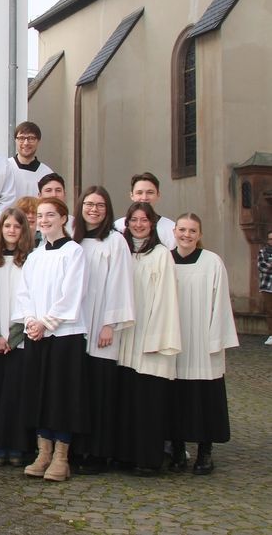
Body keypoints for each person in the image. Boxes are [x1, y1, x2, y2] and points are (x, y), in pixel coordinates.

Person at [14, 198, 89, 483]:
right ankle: (42, 452)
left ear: (64, 218)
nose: (44, 220)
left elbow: (72, 293)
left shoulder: (74, 252)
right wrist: (32, 321)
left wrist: (47, 322)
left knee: (62, 395)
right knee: (40, 394)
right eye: (40, 216)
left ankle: (61, 457)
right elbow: (24, 292)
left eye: (50, 215)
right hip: (37, 334)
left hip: (64, 335)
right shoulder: (35, 255)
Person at [70, 185, 134, 474]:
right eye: (89, 204)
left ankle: (97, 452)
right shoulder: (74, 240)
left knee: (99, 390)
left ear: (107, 211)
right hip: (74, 324)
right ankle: (76, 449)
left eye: (100, 205)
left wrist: (109, 323)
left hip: (101, 326)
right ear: (80, 207)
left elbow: (120, 283)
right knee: (78, 390)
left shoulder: (115, 242)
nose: (93, 209)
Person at [169, 213, 239, 475]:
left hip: (201, 340)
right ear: (174, 231)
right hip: (174, 338)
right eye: (182, 230)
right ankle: (177, 450)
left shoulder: (212, 262)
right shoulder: (164, 259)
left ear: (199, 235)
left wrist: (216, 340)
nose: (186, 235)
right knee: (174, 397)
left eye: (192, 231)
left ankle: (205, 452)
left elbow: (220, 303)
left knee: (203, 398)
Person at [116, 202, 182, 473]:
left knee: (149, 402)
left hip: (149, 336)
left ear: (152, 224)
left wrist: (155, 338)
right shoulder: (123, 252)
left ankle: (148, 459)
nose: (139, 225)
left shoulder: (161, 254)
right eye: (134, 220)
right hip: (125, 337)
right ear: (127, 222)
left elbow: (166, 299)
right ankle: (126, 455)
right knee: (127, 399)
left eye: (144, 220)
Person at [0, 207, 33, 467]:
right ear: (0, 230)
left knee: (16, 395)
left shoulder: (31, 261)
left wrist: (13, 337)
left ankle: (17, 446)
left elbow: (31, 301)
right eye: (7, 226)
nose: (12, 230)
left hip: (20, 340)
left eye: (17, 226)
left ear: (24, 231)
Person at [113, 172, 176, 249]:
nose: (144, 197)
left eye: (150, 192)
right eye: (139, 193)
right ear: (131, 195)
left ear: (158, 195)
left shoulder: (170, 228)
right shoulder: (118, 227)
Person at [7, 121, 53, 203]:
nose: (26, 143)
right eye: (21, 138)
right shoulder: (6, 167)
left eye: (31, 138)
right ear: (15, 140)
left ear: (38, 141)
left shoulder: (46, 173)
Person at [259, 230, 272, 346]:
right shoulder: (263, 251)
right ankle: (271, 335)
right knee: (269, 311)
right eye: (270, 239)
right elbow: (262, 267)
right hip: (267, 287)